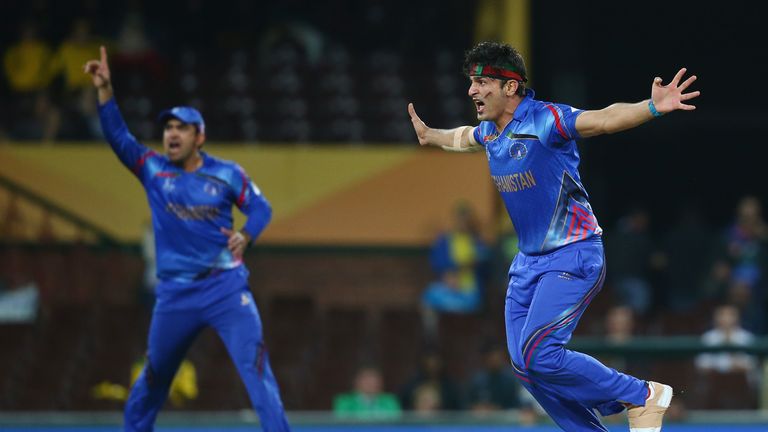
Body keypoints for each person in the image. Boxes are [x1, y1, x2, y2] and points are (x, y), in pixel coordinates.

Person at [408, 41, 699, 431]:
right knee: (526, 368)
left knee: (539, 353)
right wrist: (431, 136)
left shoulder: (546, 120)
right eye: (471, 82)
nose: (471, 91)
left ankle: (643, 395)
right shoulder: (492, 133)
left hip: (574, 254)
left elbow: (603, 119)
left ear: (510, 87)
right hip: (527, 264)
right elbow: (463, 138)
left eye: (481, 82)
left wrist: (650, 107)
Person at [84, 47, 290, 431]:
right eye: (168, 128)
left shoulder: (227, 174)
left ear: (200, 136)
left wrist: (247, 235)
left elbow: (262, 210)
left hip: (226, 289)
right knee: (151, 382)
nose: (171, 134)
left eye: (181, 128)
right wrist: (106, 90)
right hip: (175, 295)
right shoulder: (153, 170)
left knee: (257, 370)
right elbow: (118, 137)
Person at [333, 365, 401, 419]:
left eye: (374, 380)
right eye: (367, 380)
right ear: (357, 382)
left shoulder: (390, 401)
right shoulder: (345, 401)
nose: (371, 384)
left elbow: (395, 422)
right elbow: (342, 422)